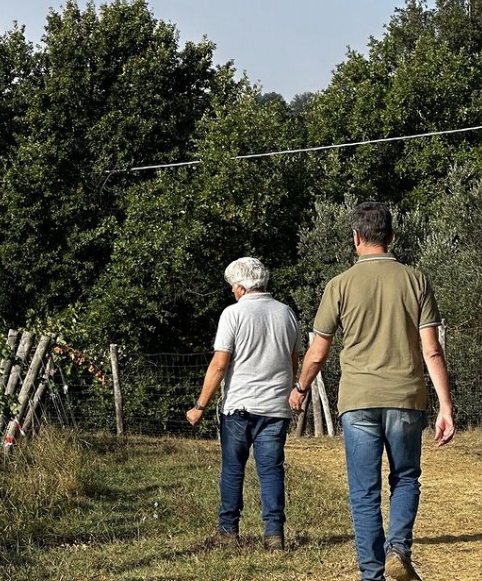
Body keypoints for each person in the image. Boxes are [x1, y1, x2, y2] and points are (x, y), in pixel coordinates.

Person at [289, 202, 455, 581]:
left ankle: (372, 575)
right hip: (406, 397)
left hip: (358, 401)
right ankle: (398, 547)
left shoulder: (339, 285)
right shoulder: (416, 280)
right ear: (391, 237)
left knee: (364, 491)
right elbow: (431, 349)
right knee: (406, 478)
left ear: (356, 238)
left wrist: (300, 387)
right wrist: (445, 404)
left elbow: (317, 352)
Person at [186, 257, 303, 552]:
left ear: (240, 287)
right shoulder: (286, 313)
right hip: (275, 408)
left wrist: (200, 405)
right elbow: (293, 360)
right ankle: (274, 534)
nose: (232, 292)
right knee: (272, 470)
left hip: (239, 406)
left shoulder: (233, 314)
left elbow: (219, 364)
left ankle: (228, 533)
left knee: (233, 469)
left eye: (232, 287)